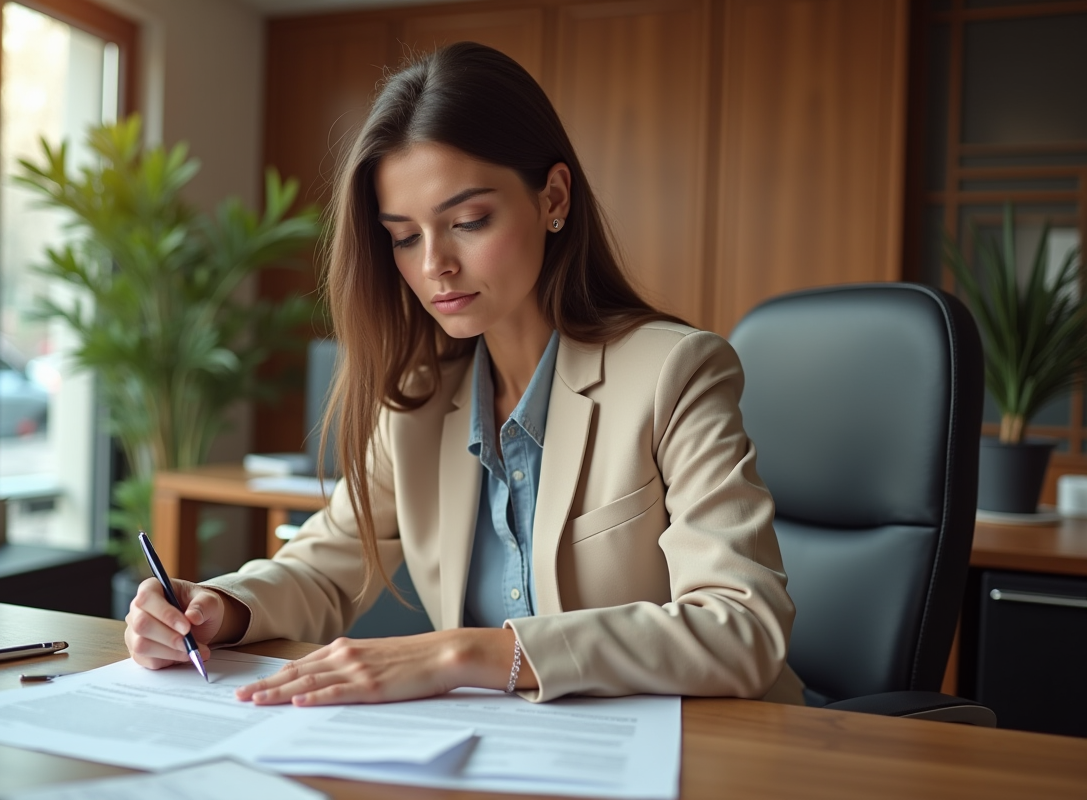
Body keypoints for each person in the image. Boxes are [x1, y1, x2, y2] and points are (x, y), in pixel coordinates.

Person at [124, 42, 803, 707]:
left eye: (469, 220)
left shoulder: (673, 372)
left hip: (704, 756)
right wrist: (219, 607)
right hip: (523, 757)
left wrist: (467, 654)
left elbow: (742, 627)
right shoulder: (419, 400)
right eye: (405, 236)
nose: (434, 265)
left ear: (554, 198)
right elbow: (322, 568)